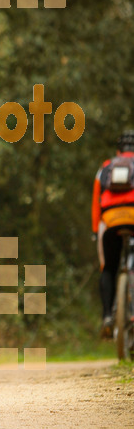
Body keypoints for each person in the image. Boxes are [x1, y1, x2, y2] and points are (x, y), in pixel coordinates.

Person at [92, 129, 134, 338]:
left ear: (118, 151)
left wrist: (94, 232)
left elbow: (95, 205)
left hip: (110, 221)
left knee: (108, 268)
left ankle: (108, 315)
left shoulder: (106, 167)